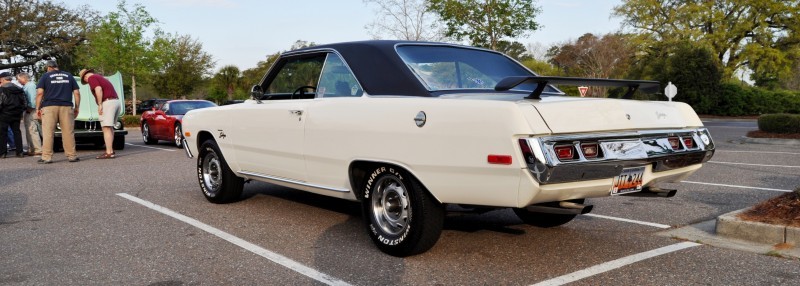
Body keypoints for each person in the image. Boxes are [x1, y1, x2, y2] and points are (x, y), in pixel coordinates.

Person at [36, 61, 80, 164]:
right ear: (57, 67)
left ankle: (47, 157)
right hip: (66, 106)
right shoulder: (69, 75)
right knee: (68, 132)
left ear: (49, 67)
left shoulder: (45, 76)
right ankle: (72, 156)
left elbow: (40, 93)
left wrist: (37, 108)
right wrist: (77, 107)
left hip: (49, 107)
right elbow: (77, 93)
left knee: (48, 133)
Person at [79, 69, 119, 159]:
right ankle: (111, 150)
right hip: (115, 101)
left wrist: (100, 104)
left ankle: (109, 152)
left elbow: (98, 89)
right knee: (110, 127)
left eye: (85, 81)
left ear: (85, 77)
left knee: (106, 127)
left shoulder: (91, 78)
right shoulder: (101, 77)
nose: (87, 82)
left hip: (107, 102)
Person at [0, 71, 27, 158]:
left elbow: (0, 102)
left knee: (2, 133)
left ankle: (3, 153)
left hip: (4, 113)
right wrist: (20, 110)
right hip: (16, 113)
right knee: (17, 132)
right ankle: (20, 152)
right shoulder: (19, 89)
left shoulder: (2, 89)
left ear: (3, 79)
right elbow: (24, 102)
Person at [16, 72, 42, 156]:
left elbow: (33, 99)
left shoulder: (30, 86)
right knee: (29, 130)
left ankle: (37, 149)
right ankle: (32, 148)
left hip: (31, 110)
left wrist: (29, 109)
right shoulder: (28, 86)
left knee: (32, 130)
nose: (18, 81)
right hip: (30, 110)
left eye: (19, 79)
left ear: (24, 78)